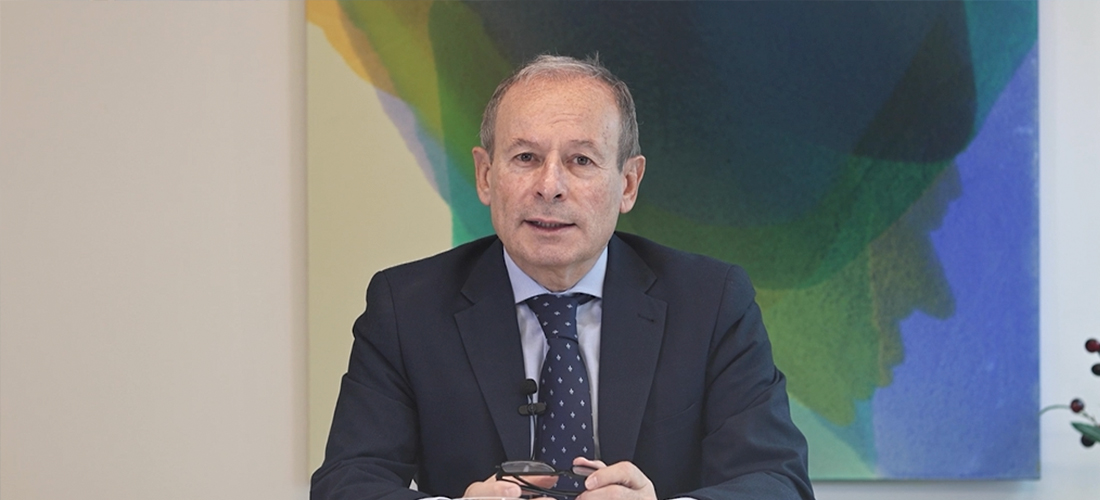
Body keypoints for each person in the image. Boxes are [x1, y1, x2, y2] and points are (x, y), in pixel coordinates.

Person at [311, 55, 813, 500]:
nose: (549, 186)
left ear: (628, 183)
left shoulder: (711, 303)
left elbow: (776, 482)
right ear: (486, 176)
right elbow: (346, 484)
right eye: (526, 158)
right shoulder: (406, 308)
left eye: (581, 160)